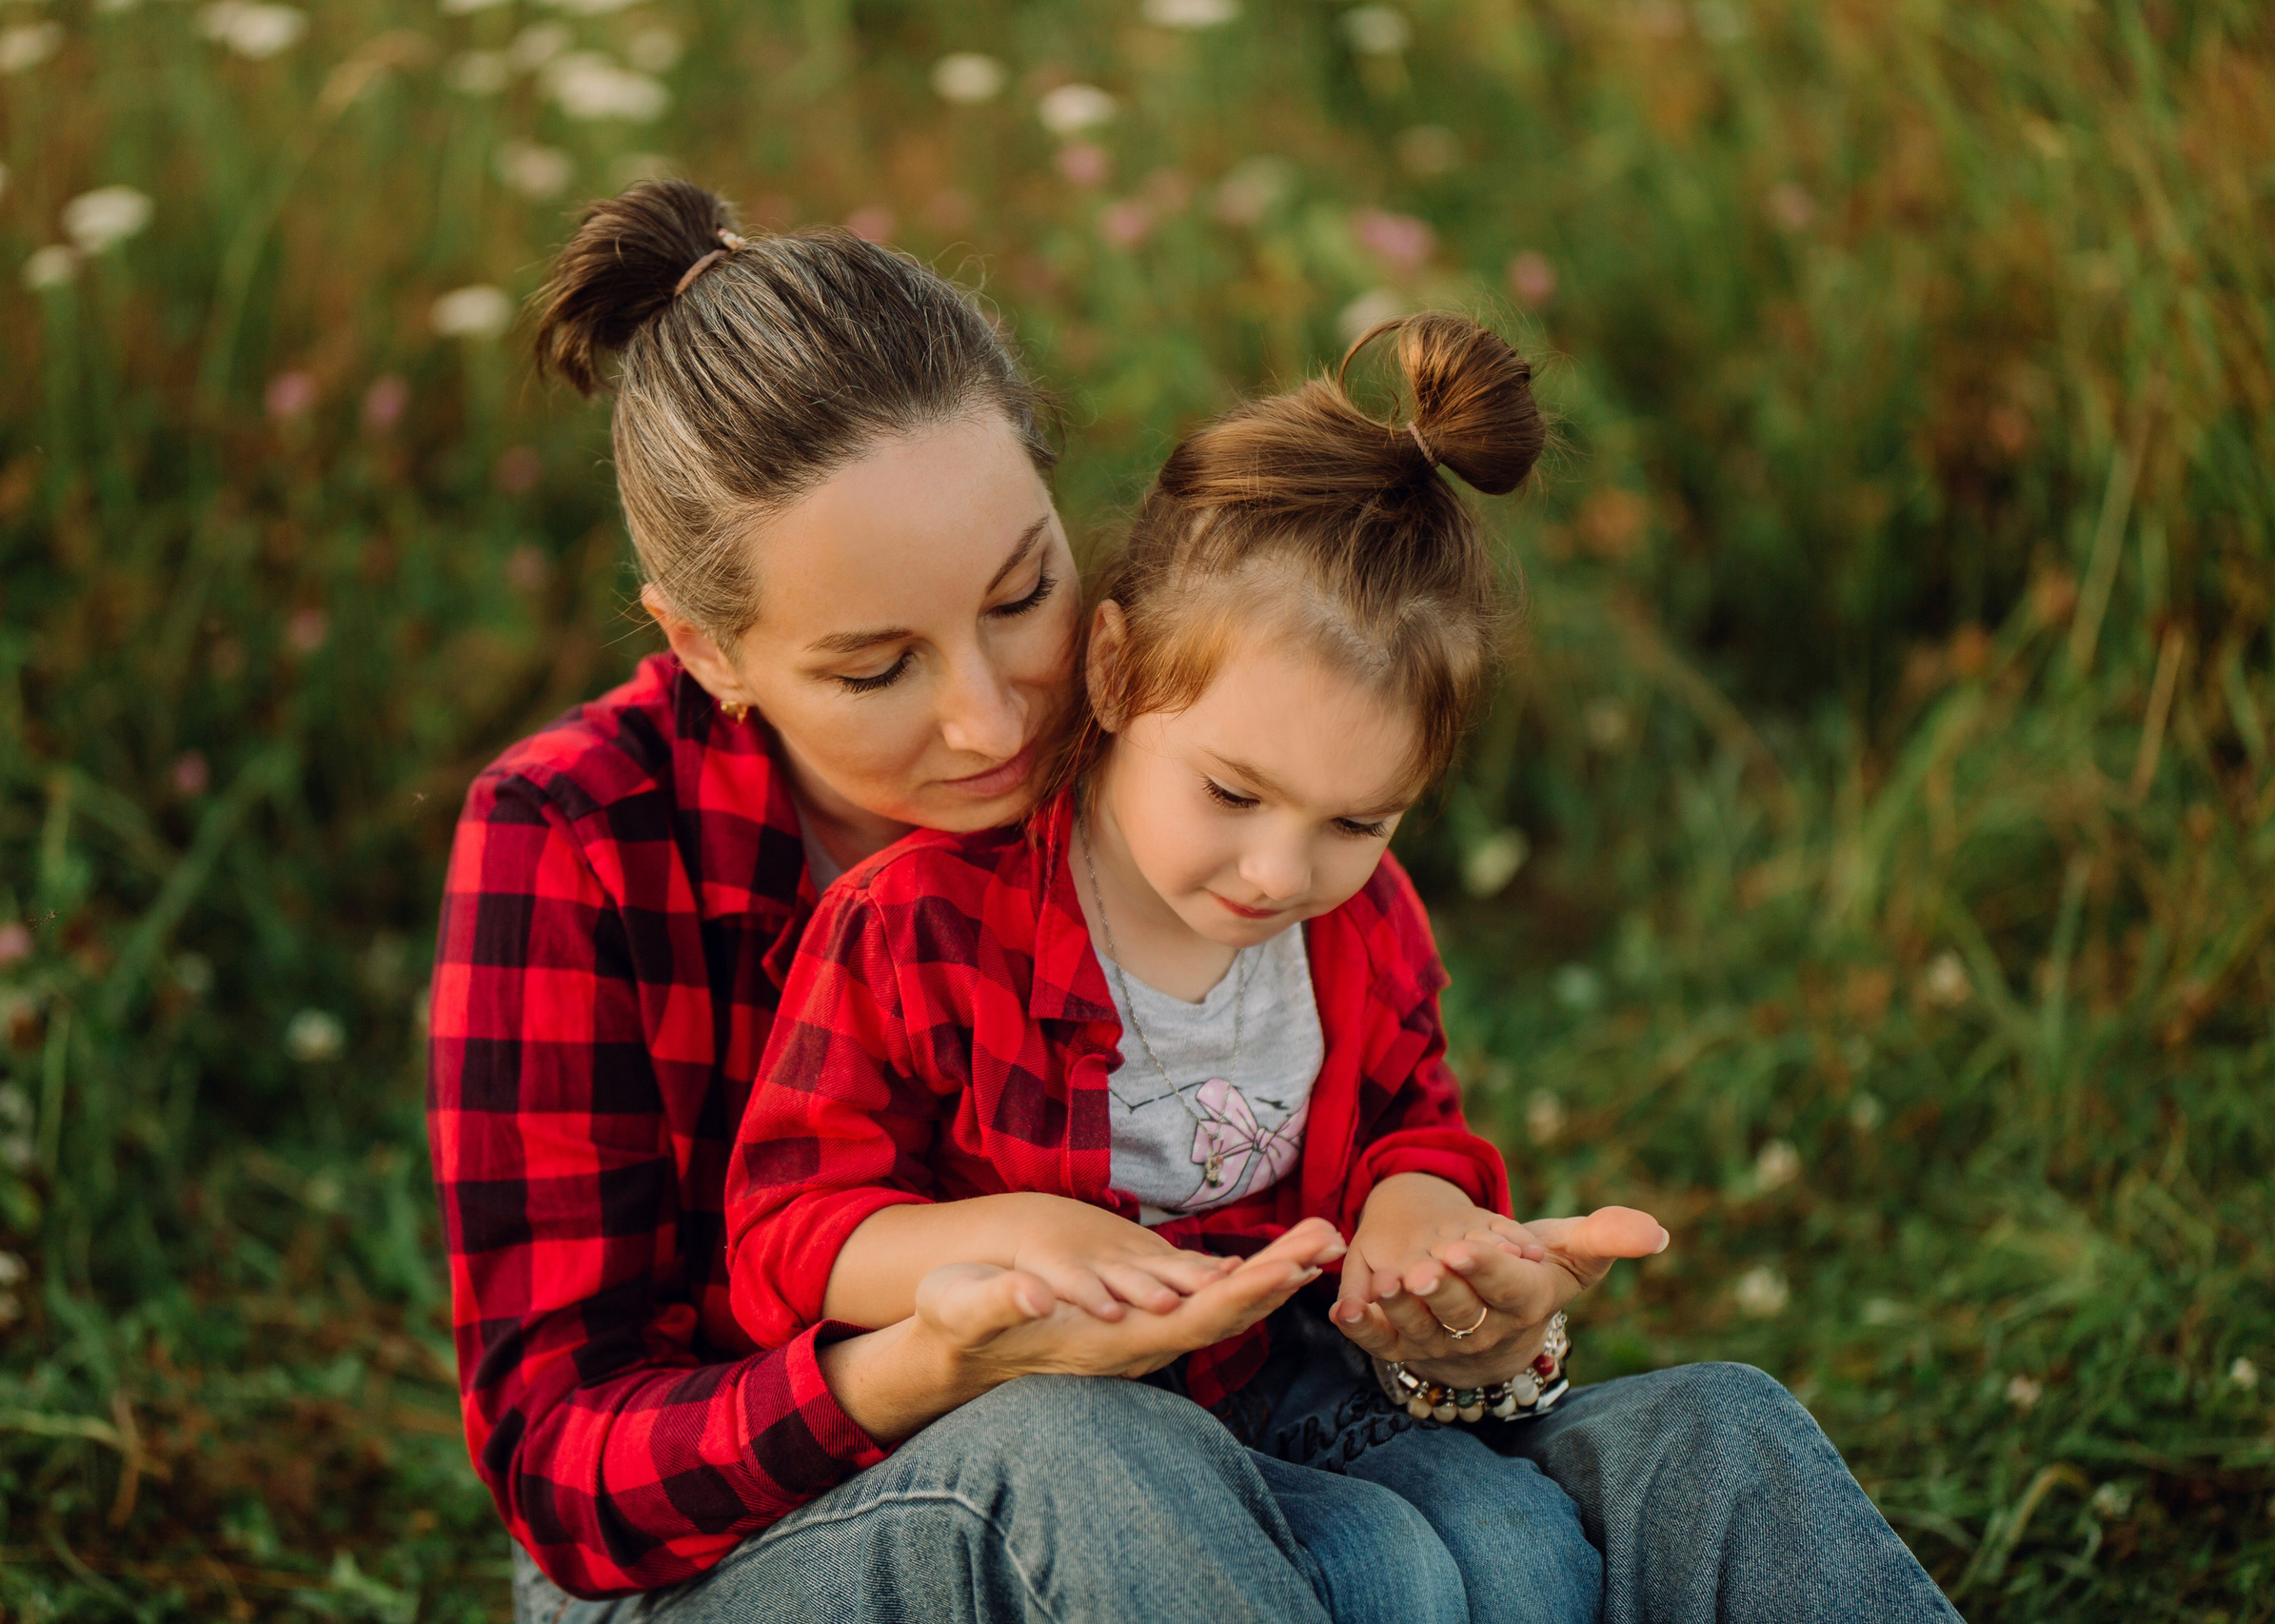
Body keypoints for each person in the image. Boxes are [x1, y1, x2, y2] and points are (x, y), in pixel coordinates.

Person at [427, 176, 1967, 1623]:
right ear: (706, 648)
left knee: (1711, 1438)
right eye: (874, 668)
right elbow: (565, 1469)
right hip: (753, 1540)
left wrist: (1460, 1321)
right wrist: (932, 1357)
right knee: (1089, 1451)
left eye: (1021, 592)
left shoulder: (1192, 757)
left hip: (1234, 1430)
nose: (991, 718)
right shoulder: (574, 837)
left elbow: (1358, 1139)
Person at [726, 308, 1690, 1624]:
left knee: (1522, 1547)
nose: (1282, 871)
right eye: (1234, 792)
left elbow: (1411, 1118)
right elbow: (786, 1233)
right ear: (1117, 671)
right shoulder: (917, 929)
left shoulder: (1364, 923)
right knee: (1396, 1570)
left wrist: (1419, 1212)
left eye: (1358, 821)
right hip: (1047, 1434)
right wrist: (1021, 1240)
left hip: (1284, 1386)